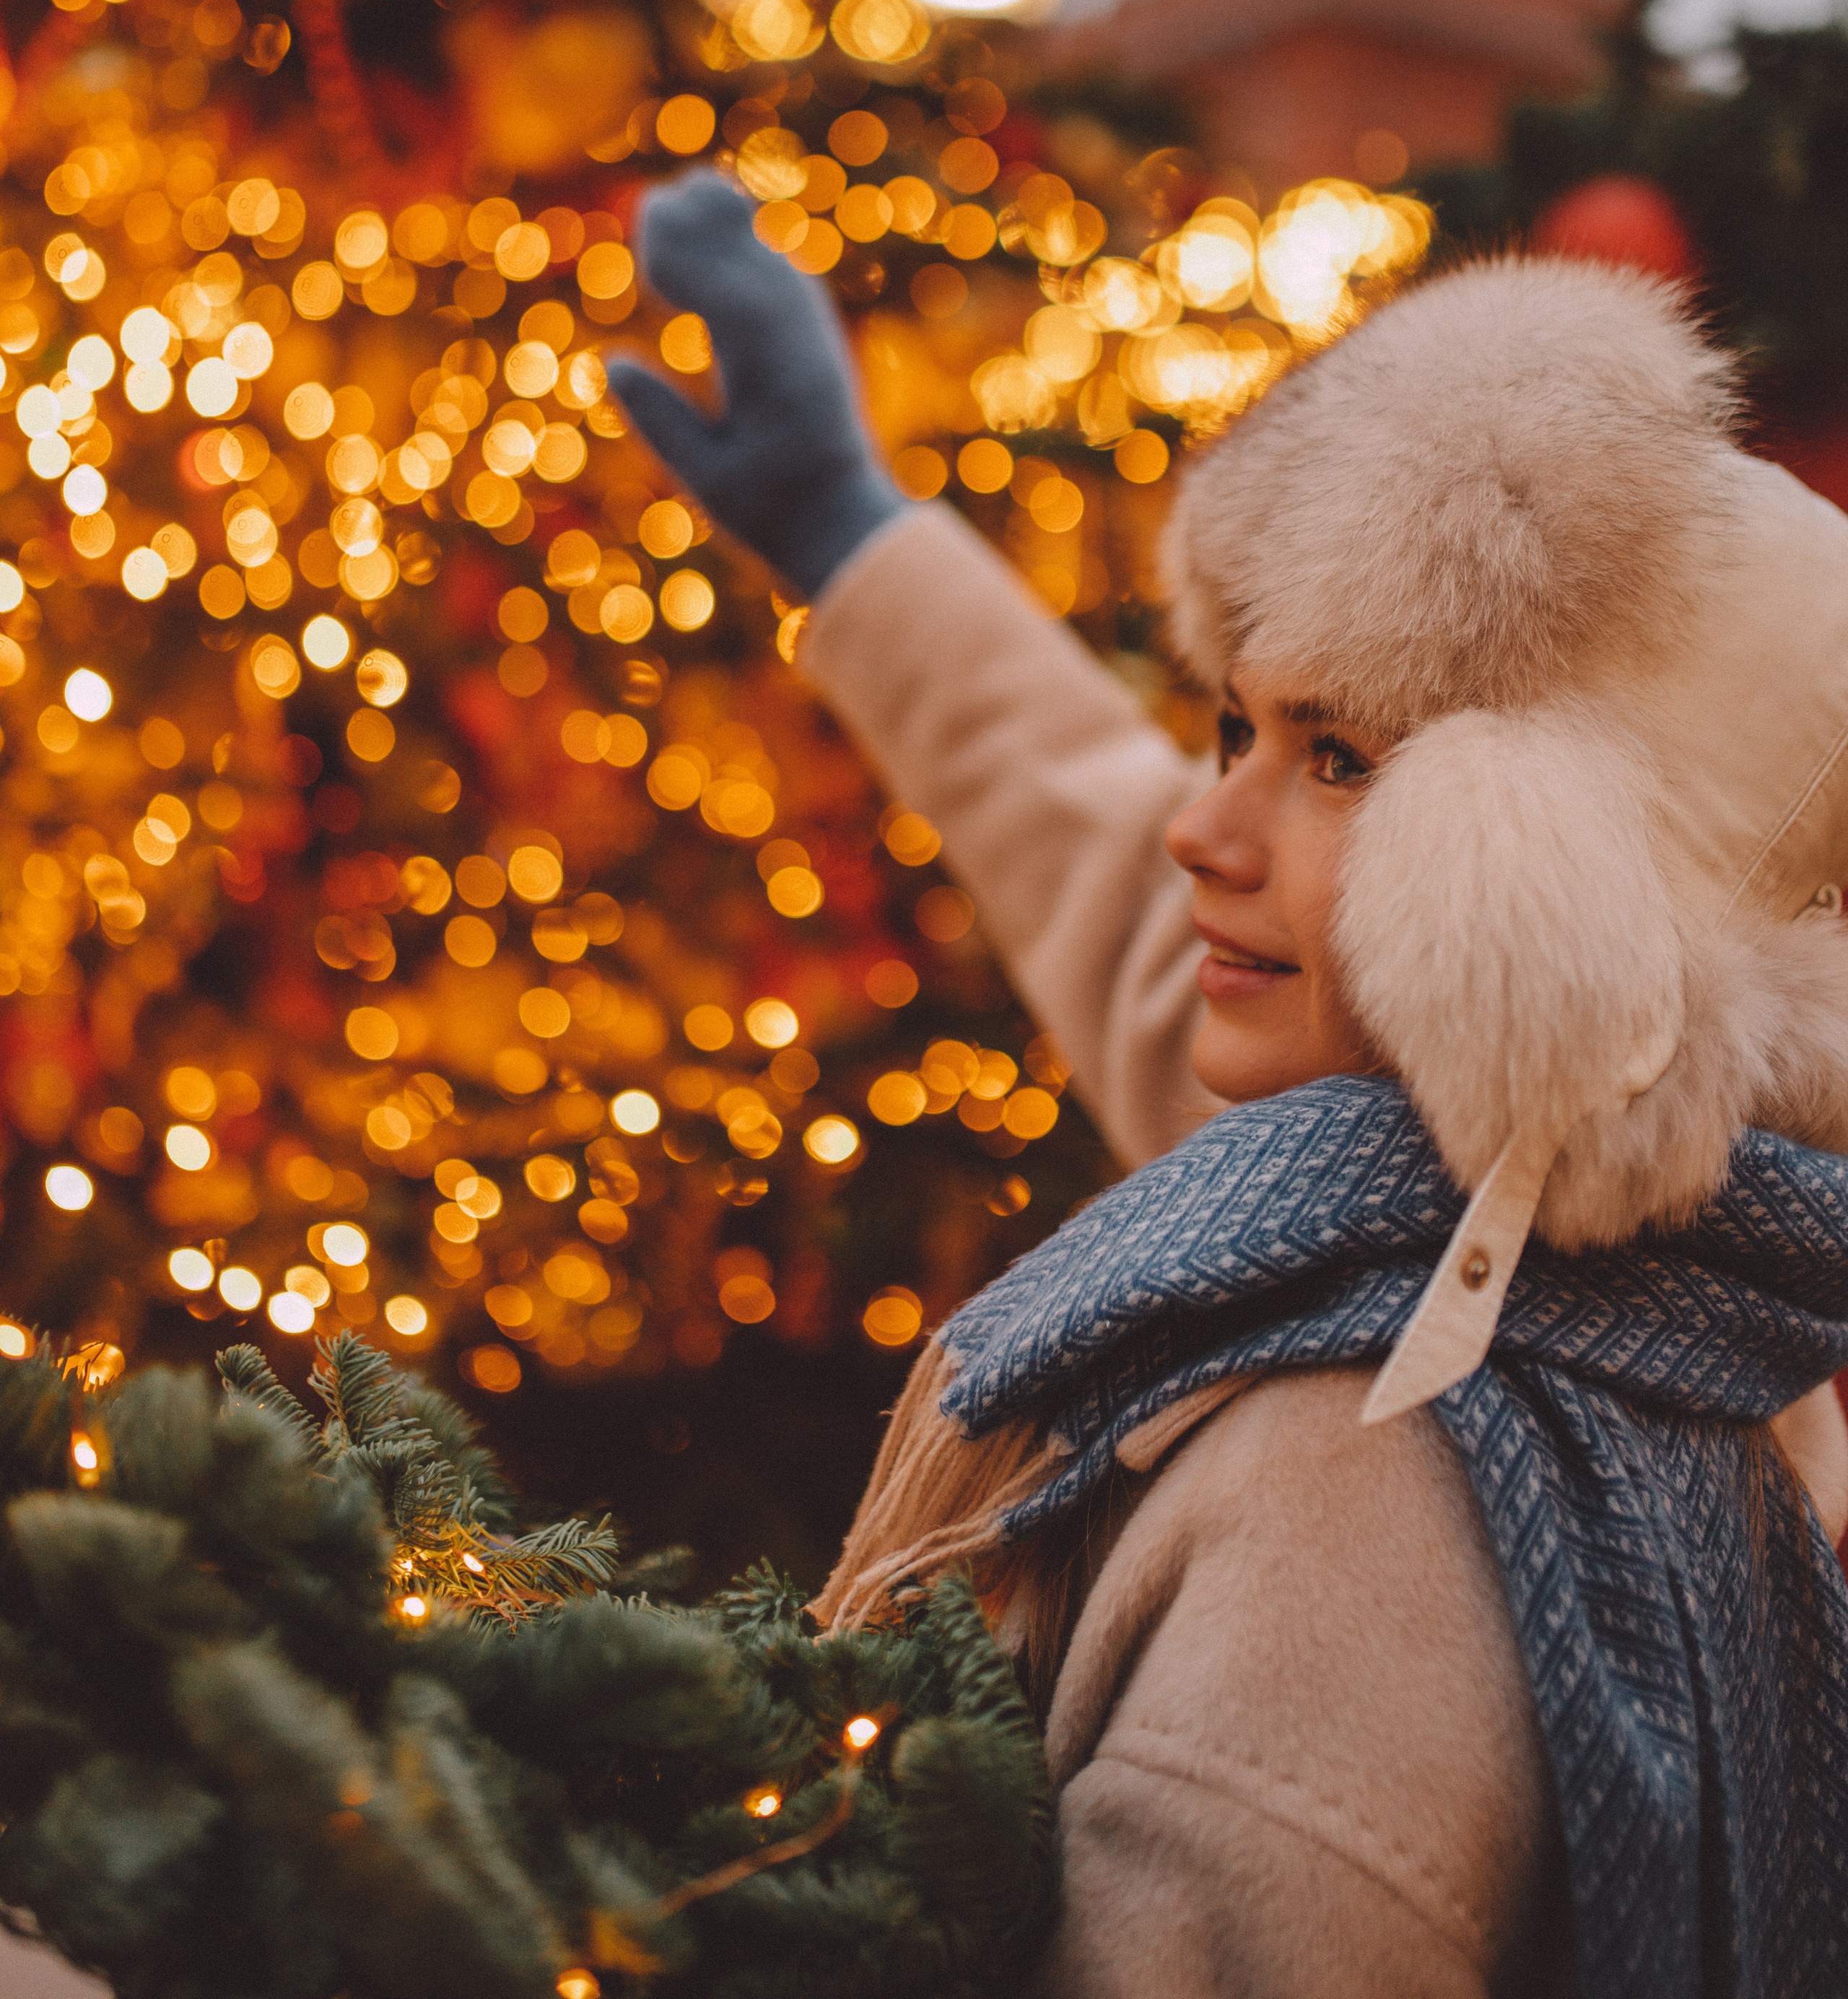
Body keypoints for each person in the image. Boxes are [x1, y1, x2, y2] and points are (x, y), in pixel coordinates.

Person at [609, 170, 1848, 1999]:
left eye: (1334, 757)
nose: (1203, 827)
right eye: (1230, 728)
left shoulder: (1354, 1500)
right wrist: (849, 529)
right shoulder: (1528, 1257)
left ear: (1559, 905)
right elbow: (1117, 877)